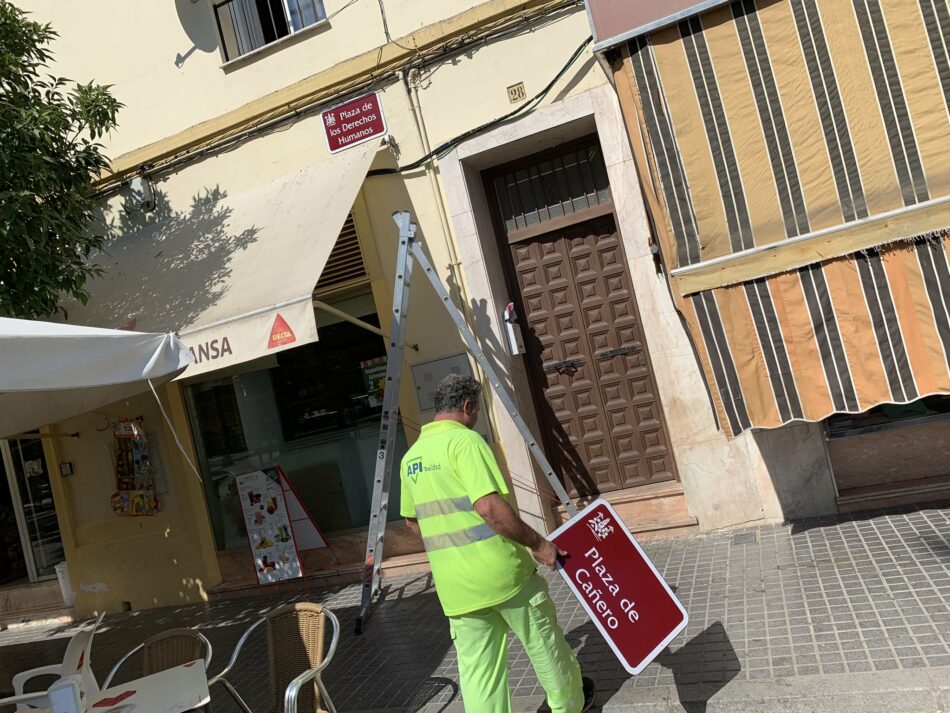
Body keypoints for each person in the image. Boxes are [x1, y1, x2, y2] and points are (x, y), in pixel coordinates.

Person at [400, 374, 594, 713]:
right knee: (546, 649)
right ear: (467, 406)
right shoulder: (466, 442)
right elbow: (490, 509)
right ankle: (570, 707)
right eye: (477, 410)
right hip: (505, 578)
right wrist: (538, 543)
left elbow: (411, 522)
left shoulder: (410, 459)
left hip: (456, 589)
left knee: (480, 675)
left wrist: (453, 549)